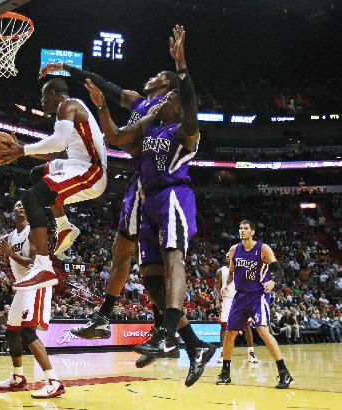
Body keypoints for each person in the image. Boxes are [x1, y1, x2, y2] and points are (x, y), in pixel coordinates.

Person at [83, 25, 214, 385]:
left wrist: (181, 64)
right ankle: (192, 343)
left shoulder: (184, 130)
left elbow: (191, 103)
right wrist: (96, 101)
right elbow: (118, 137)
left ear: (172, 97)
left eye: (166, 93)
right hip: (146, 197)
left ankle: (168, 331)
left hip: (172, 194)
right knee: (150, 277)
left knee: (173, 258)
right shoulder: (150, 125)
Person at [40, 62, 178, 341]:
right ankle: (108, 318)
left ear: (166, 84)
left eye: (157, 75)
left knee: (151, 259)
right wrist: (66, 68)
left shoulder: (169, 110)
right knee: (124, 250)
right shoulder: (136, 101)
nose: (150, 77)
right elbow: (101, 83)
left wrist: (124, 139)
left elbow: (127, 141)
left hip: (160, 183)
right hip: (139, 180)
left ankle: (164, 328)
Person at [0, 77, 108, 291]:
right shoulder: (73, 109)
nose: (42, 101)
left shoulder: (67, 105)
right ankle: (64, 225)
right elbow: (55, 151)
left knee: (31, 197)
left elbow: (57, 142)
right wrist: (22, 149)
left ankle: (44, 266)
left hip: (90, 172)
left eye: (43, 97)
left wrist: (22, 150)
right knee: (37, 174)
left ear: (53, 94)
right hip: (76, 164)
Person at [0, 201, 66, 398]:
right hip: (23, 285)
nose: (19, 206)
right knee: (11, 333)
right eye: (16, 204)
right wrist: (4, 255)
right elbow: (12, 260)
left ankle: (54, 381)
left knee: (27, 331)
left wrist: (9, 253)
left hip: (37, 281)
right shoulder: (11, 236)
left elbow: (34, 262)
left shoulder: (33, 230)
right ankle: (18, 377)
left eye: (24, 205)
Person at [216, 220, 294, 389]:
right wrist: (225, 285)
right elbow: (230, 273)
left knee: (263, 332)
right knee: (230, 333)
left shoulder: (263, 249)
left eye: (245, 229)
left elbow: (279, 270)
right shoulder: (234, 250)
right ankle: (225, 373)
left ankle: (284, 373)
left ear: (252, 231)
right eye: (240, 228)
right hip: (240, 297)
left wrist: (273, 281)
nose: (242, 231)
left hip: (258, 296)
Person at [214, 257, 259, 364]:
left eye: (231, 256)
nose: (229, 257)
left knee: (246, 326)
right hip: (227, 300)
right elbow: (216, 287)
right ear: (225, 258)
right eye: (227, 256)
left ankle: (251, 353)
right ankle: (223, 353)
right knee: (224, 327)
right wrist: (217, 301)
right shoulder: (220, 271)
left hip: (242, 299)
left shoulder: (242, 269)